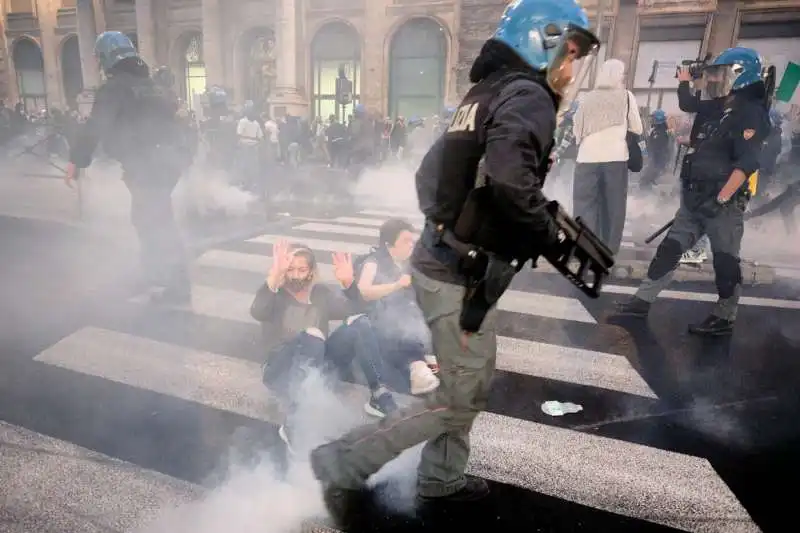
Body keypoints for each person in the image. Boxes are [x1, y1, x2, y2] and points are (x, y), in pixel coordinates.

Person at [308, 0, 599, 527]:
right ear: (543, 39)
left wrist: (454, 225)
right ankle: (343, 462)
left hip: (441, 261)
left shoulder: (483, 92)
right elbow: (513, 181)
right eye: (570, 52)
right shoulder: (528, 94)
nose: (571, 67)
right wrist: (542, 229)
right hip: (458, 276)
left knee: (470, 378)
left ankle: (442, 478)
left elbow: (428, 177)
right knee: (459, 396)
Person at [616, 47, 771, 336]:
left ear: (740, 74)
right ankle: (641, 301)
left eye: (722, 73)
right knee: (669, 250)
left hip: (722, 203)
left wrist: (723, 196)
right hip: (695, 199)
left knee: (725, 261)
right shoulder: (726, 107)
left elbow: (747, 161)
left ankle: (725, 317)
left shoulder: (751, 112)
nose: (716, 79)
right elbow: (695, 113)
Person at [65, 32, 192, 304]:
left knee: (158, 223)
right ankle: (154, 273)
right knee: (148, 219)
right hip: (165, 163)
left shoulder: (115, 88)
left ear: (108, 57)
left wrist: (77, 159)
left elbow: (96, 126)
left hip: (147, 166)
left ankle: (177, 284)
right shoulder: (153, 86)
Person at [571, 58, 644, 256]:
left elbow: (576, 128)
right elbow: (637, 127)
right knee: (613, 208)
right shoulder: (626, 96)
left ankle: (584, 248)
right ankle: (607, 252)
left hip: (586, 158)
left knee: (585, 206)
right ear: (618, 75)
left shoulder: (587, 98)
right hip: (615, 158)